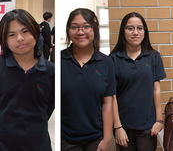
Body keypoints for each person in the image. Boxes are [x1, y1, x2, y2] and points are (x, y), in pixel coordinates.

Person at [0, 9, 55, 150]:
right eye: (12, 34)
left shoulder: (51, 71)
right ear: (4, 40)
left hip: (37, 145)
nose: (20, 38)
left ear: (35, 32)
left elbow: (47, 109)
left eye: (25, 31)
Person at [61, 8, 115, 151]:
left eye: (86, 26)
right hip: (66, 140)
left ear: (95, 29)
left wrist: (107, 139)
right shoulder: (59, 60)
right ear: (68, 30)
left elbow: (108, 102)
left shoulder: (106, 62)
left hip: (96, 139)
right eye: (74, 27)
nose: (80, 32)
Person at [110, 12, 166, 151]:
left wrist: (159, 120)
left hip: (148, 124)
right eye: (130, 28)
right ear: (123, 31)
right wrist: (117, 127)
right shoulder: (113, 59)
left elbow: (156, 89)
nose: (135, 32)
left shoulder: (154, 57)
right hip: (124, 125)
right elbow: (112, 95)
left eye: (140, 28)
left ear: (144, 31)